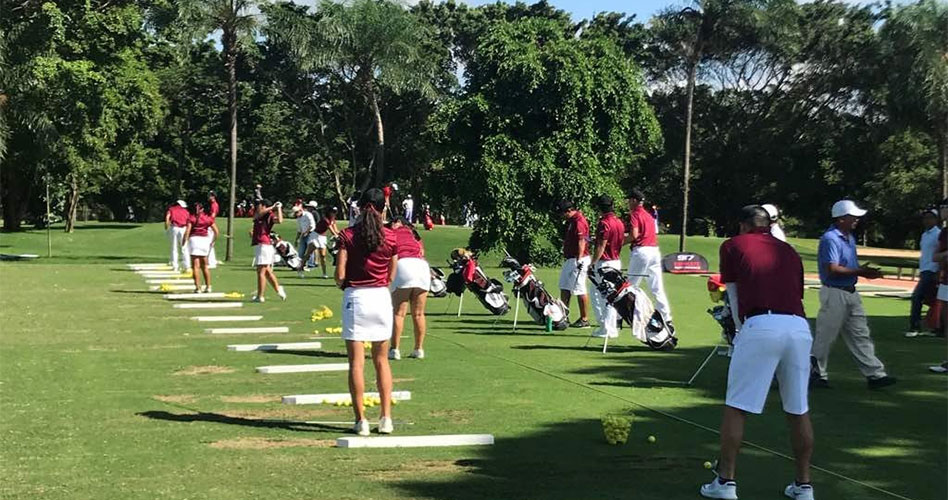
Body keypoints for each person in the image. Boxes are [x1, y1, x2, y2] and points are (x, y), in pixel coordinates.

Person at [700, 205, 814, 500]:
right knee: (798, 408)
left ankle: (725, 481)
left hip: (761, 324)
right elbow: (796, 294)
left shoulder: (733, 245)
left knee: (737, 405)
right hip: (798, 327)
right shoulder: (788, 250)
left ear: (743, 225)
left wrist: (739, 332)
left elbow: (733, 293)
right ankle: (804, 485)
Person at [810, 200, 895, 389]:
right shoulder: (831, 238)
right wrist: (861, 272)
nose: (856, 219)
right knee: (826, 336)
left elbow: (845, 266)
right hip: (834, 292)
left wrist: (861, 271)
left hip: (850, 291)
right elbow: (832, 269)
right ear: (841, 218)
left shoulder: (848, 237)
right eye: (853, 216)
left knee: (860, 334)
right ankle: (815, 373)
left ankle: (875, 375)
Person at [335, 188, 397, 436]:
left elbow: (340, 275)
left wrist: (346, 283)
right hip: (380, 297)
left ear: (360, 207)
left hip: (357, 297)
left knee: (356, 364)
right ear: (383, 208)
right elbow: (391, 276)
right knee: (382, 361)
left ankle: (361, 420)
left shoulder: (347, 235)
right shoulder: (391, 237)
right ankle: (386, 418)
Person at [625, 189, 674, 331]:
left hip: (641, 251)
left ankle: (627, 317)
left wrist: (620, 243)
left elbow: (634, 235)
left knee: (630, 287)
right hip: (654, 251)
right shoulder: (648, 215)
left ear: (634, 200)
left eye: (629, 200)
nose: (628, 203)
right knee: (657, 287)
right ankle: (666, 317)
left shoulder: (635, 214)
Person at [388, 217, 430, 360]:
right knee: (418, 314)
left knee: (399, 313)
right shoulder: (414, 234)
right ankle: (419, 349)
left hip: (403, 265)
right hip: (421, 267)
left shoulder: (390, 233)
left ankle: (394, 350)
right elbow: (422, 252)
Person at [589, 195, 624, 339]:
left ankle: (606, 328)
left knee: (602, 296)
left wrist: (592, 263)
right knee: (610, 295)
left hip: (604, 263)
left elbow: (601, 246)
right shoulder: (619, 222)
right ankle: (610, 327)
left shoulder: (604, 223)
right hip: (616, 261)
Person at [556, 200, 591, 328]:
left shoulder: (579, 221)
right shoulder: (572, 221)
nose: (562, 216)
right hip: (570, 259)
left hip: (578, 259)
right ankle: (563, 316)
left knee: (580, 289)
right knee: (564, 287)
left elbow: (582, 241)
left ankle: (584, 319)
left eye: (563, 213)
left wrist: (579, 259)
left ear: (569, 210)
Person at [907, 208, 941, 336]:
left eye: (930, 218)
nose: (927, 220)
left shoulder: (938, 234)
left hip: (933, 270)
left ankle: (915, 326)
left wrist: (938, 271)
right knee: (932, 300)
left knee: (917, 297)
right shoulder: (924, 235)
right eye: (925, 218)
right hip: (925, 270)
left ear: (936, 220)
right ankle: (936, 326)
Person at [250, 199, 287, 303]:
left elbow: (279, 221)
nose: (257, 207)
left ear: (263, 205)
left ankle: (260, 296)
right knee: (267, 271)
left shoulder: (269, 215)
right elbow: (258, 215)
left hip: (264, 245)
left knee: (261, 271)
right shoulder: (259, 214)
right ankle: (278, 289)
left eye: (259, 205)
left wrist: (278, 208)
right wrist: (272, 207)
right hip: (260, 245)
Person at [182, 201, 219, 293]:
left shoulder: (191, 218)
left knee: (195, 266)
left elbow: (187, 231)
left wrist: (184, 241)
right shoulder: (207, 218)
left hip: (194, 240)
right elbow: (216, 231)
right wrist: (213, 241)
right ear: (202, 209)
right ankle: (208, 286)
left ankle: (198, 288)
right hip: (204, 241)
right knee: (205, 266)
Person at [929, 199, 948, 373]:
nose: (942, 211)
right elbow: (935, 257)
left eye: (944, 208)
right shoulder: (944, 232)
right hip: (946, 280)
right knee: (945, 321)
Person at [303, 206, 341, 279]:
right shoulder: (325, 220)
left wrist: (342, 234)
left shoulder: (333, 220)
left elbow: (336, 230)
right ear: (329, 212)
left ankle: (324, 273)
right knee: (308, 254)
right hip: (315, 235)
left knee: (323, 255)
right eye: (333, 212)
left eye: (335, 212)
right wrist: (337, 237)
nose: (334, 214)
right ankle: (300, 268)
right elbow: (332, 231)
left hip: (322, 237)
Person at [164, 200, 191, 273]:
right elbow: (189, 221)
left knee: (174, 248)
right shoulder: (186, 211)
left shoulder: (171, 209)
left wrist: (166, 228)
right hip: (184, 229)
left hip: (174, 228)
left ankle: (175, 266)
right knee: (184, 248)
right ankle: (187, 266)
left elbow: (167, 218)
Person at [295, 201, 318, 275]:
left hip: (311, 233)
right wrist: (297, 239)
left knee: (310, 250)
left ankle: (310, 265)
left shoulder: (308, 215)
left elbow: (312, 225)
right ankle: (301, 265)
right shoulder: (298, 218)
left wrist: (306, 232)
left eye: (297, 212)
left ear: (300, 210)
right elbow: (299, 229)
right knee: (301, 251)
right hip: (303, 234)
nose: (296, 214)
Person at [207, 191, 220, 269]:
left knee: (209, 244)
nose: (208, 197)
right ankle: (212, 261)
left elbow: (213, 216)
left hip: (210, 225)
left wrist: (207, 221)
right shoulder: (212, 204)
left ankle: (211, 262)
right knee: (209, 244)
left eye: (210, 196)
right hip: (210, 225)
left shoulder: (214, 205)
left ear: (213, 196)